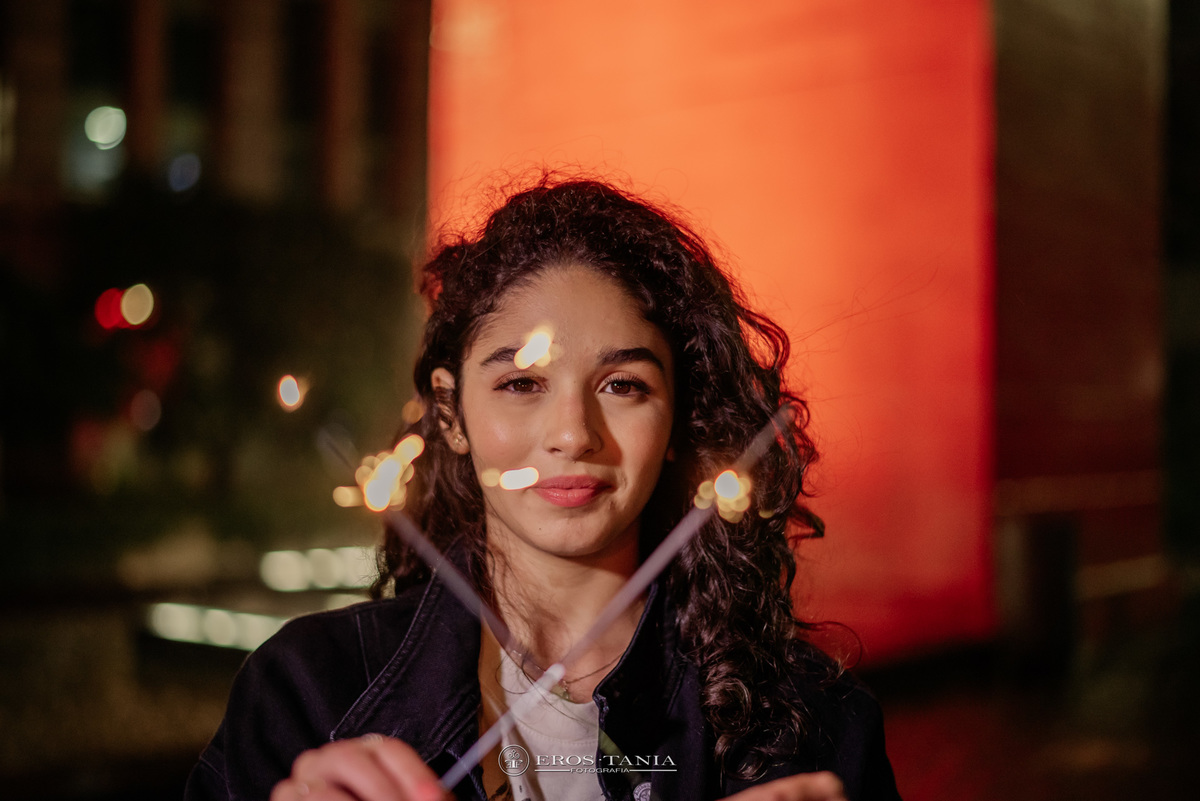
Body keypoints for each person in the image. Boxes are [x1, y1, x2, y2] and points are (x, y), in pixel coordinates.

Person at [185, 177, 902, 801]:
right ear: (450, 413)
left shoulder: (807, 724)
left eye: (623, 384)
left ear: (679, 417)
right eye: (521, 384)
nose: (572, 434)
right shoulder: (310, 696)